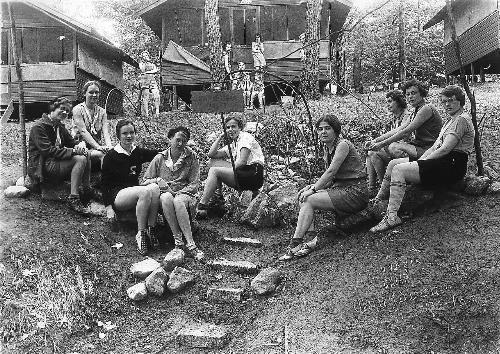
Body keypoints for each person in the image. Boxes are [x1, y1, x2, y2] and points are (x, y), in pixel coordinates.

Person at [370, 85, 475, 232]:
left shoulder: (461, 120)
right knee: (394, 163)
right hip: (441, 161)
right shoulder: (450, 121)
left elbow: (445, 149)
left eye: (451, 101)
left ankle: (391, 216)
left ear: (461, 101)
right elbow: (434, 147)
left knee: (399, 170)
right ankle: (379, 199)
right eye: (444, 101)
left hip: (452, 165)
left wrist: (423, 162)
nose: (447, 105)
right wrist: (421, 161)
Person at [279, 115, 368, 260]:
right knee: (304, 196)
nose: (323, 132)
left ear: (336, 130)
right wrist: (311, 187)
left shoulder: (342, 145)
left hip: (355, 191)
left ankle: (295, 244)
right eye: (320, 129)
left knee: (309, 199)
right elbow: (330, 178)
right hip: (341, 189)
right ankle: (310, 239)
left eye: (328, 128)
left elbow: (331, 172)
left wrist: (314, 189)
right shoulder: (328, 148)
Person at [142, 126, 205, 261]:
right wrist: (158, 180)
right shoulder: (160, 158)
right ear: (170, 139)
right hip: (166, 197)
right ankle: (178, 241)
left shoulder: (191, 157)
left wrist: (178, 193)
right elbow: (145, 181)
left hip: (185, 194)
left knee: (178, 200)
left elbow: (194, 183)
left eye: (184, 141)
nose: (180, 144)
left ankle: (191, 244)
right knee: (165, 197)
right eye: (177, 140)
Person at [101, 119, 160, 255]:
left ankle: (151, 228)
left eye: (131, 133)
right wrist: (108, 208)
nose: (129, 136)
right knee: (145, 191)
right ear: (118, 136)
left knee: (155, 188)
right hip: (119, 196)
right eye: (125, 133)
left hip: (136, 192)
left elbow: (157, 153)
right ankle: (141, 233)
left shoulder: (136, 151)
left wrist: (176, 148)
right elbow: (104, 183)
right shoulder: (111, 156)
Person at [28, 96, 92, 213]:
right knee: (80, 159)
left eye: (67, 111)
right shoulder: (39, 127)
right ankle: (74, 198)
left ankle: (87, 190)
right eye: (62, 108)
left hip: (55, 162)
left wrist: (80, 144)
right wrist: (73, 151)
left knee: (85, 153)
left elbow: (71, 142)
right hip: (42, 166)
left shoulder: (58, 126)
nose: (64, 112)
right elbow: (48, 151)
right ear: (53, 107)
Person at [196, 115, 265, 218]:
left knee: (215, 171)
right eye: (227, 127)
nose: (230, 130)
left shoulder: (245, 137)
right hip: (243, 173)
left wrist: (222, 172)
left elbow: (242, 162)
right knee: (213, 163)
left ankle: (202, 205)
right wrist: (220, 137)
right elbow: (212, 154)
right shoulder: (233, 144)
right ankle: (218, 198)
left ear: (240, 128)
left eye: (233, 126)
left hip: (253, 174)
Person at [365, 79, 442, 164]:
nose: (410, 97)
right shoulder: (415, 111)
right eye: (407, 94)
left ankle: (412, 167)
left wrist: (381, 144)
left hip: (429, 149)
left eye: (413, 93)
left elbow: (405, 132)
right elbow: (398, 130)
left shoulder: (426, 108)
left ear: (421, 93)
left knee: (394, 147)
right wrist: (375, 141)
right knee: (376, 152)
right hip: (419, 147)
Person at [365, 90, 410, 197]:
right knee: (371, 153)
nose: (387, 105)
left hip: (405, 153)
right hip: (395, 151)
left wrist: (377, 143)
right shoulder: (395, 118)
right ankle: (373, 187)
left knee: (373, 152)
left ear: (398, 102)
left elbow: (400, 135)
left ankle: (383, 188)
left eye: (390, 101)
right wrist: (374, 143)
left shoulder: (407, 116)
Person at [72, 80, 112, 167]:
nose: (94, 95)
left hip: (96, 146)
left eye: (96, 92)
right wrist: (98, 147)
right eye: (91, 92)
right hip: (80, 146)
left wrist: (109, 146)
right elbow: (83, 131)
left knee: (112, 154)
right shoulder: (77, 109)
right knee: (103, 154)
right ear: (84, 94)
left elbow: (105, 132)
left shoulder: (102, 112)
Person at [139, 51, 160, 118]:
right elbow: (142, 70)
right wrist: (148, 71)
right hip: (144, 80)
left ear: (148, 56)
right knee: (146, 97)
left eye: (146, 55)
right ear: (142, 57)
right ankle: (146, 114)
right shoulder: (141, 63)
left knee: (156, 95)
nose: (145, 57)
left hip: (152, 79)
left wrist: (147, 72)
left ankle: (157, 112)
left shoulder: (152, 64)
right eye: (144, 56)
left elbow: (155, 70)